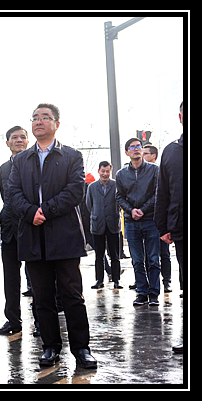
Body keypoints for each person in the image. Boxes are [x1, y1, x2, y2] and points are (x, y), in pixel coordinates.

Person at [8, 103, 97, 369]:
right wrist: (30, 212)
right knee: (42, 297)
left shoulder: (71, 156)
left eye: (45, 117)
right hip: (32, 236)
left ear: (57, 123)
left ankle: (81, 348)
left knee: (72, 296)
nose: (38, 121)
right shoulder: (21, 160)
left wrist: (45, 210)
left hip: (64, 237)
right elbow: (12, 193)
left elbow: (75, 191)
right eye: (35, 117)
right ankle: (50, 347)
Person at [115, 138, 160, 306]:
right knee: (137, 259)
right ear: (127, 152)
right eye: (132, 147)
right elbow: (119, 196)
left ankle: (154, 293)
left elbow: (158, 193)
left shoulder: (154, 170)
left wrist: (143, 210)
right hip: (131, 221)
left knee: (153, 258)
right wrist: (131, 210)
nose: (136, 149)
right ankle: (142, 292)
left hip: (150, 220)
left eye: (138, 146)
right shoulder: (121, 174)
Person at [0, 126, 30, 336]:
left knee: (38, 279)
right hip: (9, 228)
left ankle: (41, 321)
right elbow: (5, 197)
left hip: (32, 227)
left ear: (28, 141)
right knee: (10, 278)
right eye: (14, 137)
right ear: (7, 142)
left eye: (22, 137)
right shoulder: (3, 169)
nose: (19, 140)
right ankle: (13, 321)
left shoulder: (35, 164)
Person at [155, 101, 184, 353]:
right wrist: (162, 225)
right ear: (181, 117)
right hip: (182, 227)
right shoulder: (171, 151)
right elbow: (163, 190)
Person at [85, 161, 123, 289]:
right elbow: (89, 204)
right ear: (98, 171)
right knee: (99, 255)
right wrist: (97, 214)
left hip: (113, 223)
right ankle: (99, 280)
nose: (105, 174)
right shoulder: (92, 187)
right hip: (98, 224)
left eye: (107, 171)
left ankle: (117, 280)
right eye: (103, 171)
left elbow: (120, 202)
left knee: (115, 255)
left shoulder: (116, 185)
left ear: (110, 171)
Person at [143, 144, 172, 292]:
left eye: (146, 154)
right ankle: (149, 281)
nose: (143, 156)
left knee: (163, 253)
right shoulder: (142, 173)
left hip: (160, 220)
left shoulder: (160, 172)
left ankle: (167, 281)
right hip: (147, 218)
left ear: (153, 156)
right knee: (148, 254)